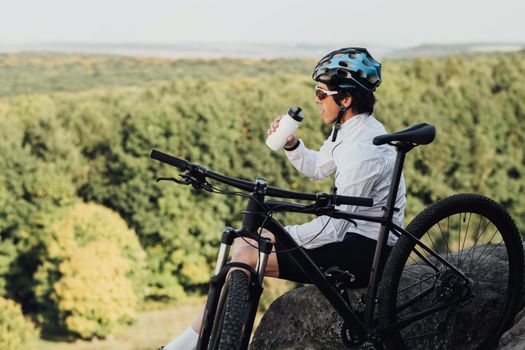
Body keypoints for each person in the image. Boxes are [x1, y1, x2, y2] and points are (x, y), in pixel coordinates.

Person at [159, 47, 406, 350]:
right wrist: (292, 144)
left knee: (250, 252)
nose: (316, 101)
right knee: (251, 241)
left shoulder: (363, 150)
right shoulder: (349, 130)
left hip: (365, 251)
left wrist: (281, 236)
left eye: (321, 93)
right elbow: (318, 168)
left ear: (346, 99)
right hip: (348, 236)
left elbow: (335, 229)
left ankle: (188, 345)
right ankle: (200, 340)